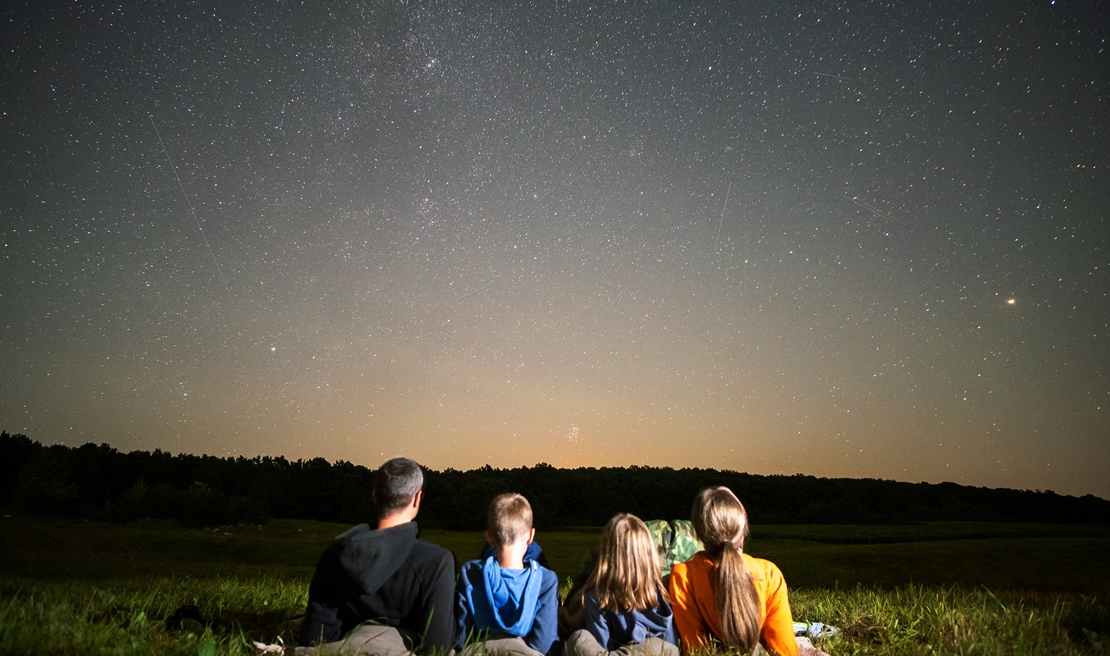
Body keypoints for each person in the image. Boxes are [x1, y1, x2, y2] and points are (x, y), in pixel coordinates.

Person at [299, 457, 455, 655]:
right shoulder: (437, 562)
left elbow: (315, 637)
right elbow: (437, 648)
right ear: (417, 498)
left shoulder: (335, 554)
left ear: (375, 496)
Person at [668, 487, 799, 656]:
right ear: (742, 529)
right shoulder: (770, 573)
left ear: (699, 535)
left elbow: (695, 649)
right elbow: (785, 649)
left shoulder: (683, 575)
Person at [456, 493, 560, 656]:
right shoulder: (546, 581)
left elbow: (462, 636)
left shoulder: (471, 573)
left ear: (489, 537)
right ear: (531, 536)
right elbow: (544, 644)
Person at [566, 513, 678, 656]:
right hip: (657, 651)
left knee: (580, 639)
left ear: (607, 553)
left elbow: (601, 645)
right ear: (648, 554)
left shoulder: (596, 595)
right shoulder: (658, 589)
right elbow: (671, 640)